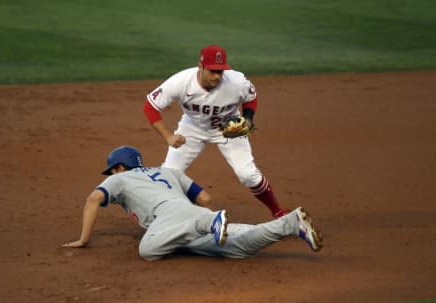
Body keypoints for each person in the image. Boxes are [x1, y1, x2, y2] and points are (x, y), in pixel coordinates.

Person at [61, 146, 323, 261]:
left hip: (174, 217)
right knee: (237, 248)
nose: (111, 176)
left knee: (148, 251)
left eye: (112, 171)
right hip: (189, 213)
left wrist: (84, 239)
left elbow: (94, 198)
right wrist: (202, 218)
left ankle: (207, 221)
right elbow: (204, 198)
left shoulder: (122, 178)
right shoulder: (167, 171)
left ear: (119, 167)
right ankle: (289, 224)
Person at [143, 44, 288, 218]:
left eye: (221, 71)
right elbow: (150, 106)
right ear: (200, 66)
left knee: (248, 175)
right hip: (192, 127)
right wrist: (168, 136)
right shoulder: (181, 82)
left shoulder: (236, 81)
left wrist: (248, 118)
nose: (217, 76)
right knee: (170, 173)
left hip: (229, 126)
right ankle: (158, 216)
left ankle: (278, 211)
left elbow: (251, 98)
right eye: (212, 71)